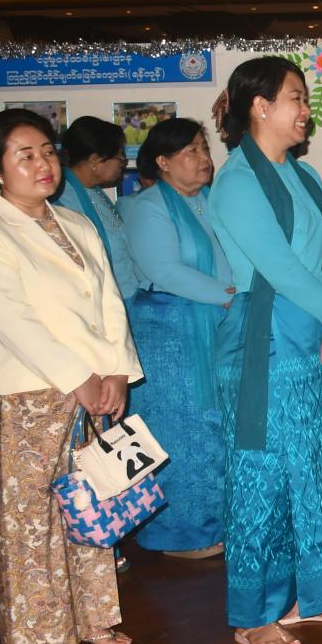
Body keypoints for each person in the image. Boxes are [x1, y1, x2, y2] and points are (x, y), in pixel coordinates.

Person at [209, 56, 322, 644]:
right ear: (260, 106)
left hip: (309, 333)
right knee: (263, 476)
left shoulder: (300, 174)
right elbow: (279, 268)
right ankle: (254, 616)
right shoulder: (237, 182)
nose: (306, 111)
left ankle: (312, 596)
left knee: (315, 465)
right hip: (263, 340)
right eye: (296, 98)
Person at [0, 108, 140, 644]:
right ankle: (43, 642)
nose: (42, 164)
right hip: (30, 390)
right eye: (24, 155)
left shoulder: (75, 221)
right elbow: (11, 317)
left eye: (48, 152)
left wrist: (117, 371)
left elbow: (109, 303)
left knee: (90, 504)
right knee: (31, 521)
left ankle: (92, 617)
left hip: (94, 390)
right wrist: (79, 377)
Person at [123, 118, 233, 560]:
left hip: (215, 323)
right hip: (169, 331)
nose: (204, 158)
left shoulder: (210, 200)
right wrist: (231, 296)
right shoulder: (148, 207)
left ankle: (217, 522)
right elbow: (165, 270)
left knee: (216, 427)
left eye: (204, 148)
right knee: (181, 431)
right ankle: (179, 534)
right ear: (163, 162)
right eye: (191, 151)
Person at [55, 115, 143, 301]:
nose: (123, 163)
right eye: (119, 157)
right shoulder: (62, 201)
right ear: (95, 161)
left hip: (125, 294)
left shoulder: (95, 192)